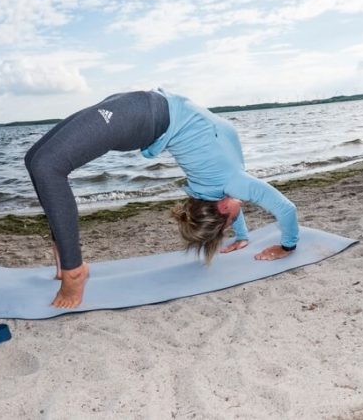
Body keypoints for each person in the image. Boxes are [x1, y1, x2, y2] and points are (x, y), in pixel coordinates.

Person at [24, 89, 300, 308]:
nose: (238, 215)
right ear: (224, 206)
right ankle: (68, 260)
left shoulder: (226, 184)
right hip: (141, 110)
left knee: (46, 166)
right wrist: (286, 246)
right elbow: (286, 210)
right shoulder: (230, 183)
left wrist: (240, 233)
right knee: (35, 160)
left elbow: (231, 208)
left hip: (140, 110)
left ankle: (72, 267)